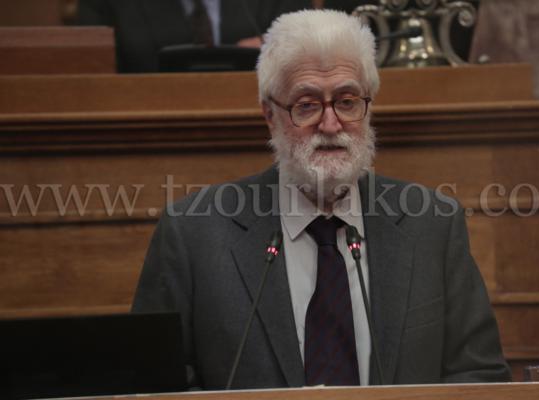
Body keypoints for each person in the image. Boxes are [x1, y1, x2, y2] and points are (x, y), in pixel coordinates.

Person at [132, 9, 511, 390]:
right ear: (270, 114)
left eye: (347, 101)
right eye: (307, 105)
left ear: (369, 106)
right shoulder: (194, 235)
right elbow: (156, 388)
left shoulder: (432, 226)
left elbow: (480, 377)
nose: (330, 126)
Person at [76, 0, 312, 72]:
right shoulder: (107, 4)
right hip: (143, 130)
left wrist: (275, 48)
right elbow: (88, 75)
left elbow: (308, 49)